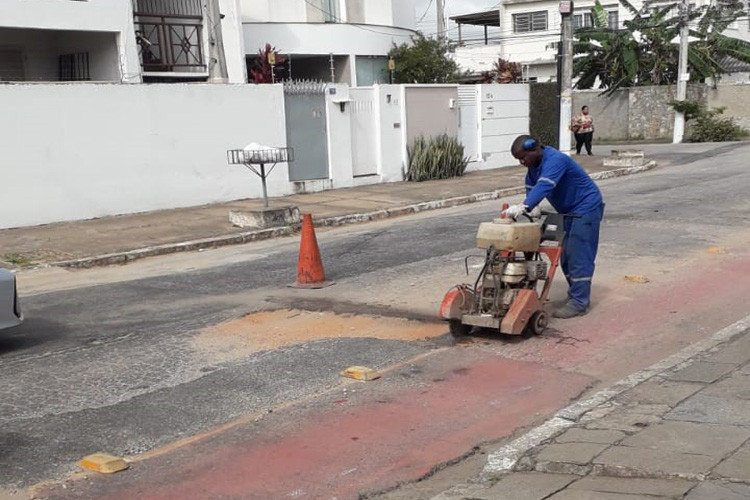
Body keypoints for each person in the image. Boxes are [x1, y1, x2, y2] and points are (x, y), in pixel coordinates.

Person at [503, 135, 604, 319]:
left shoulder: (555, 159)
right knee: (564, 256)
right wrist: (532, 207)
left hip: (586, 207)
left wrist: (525, 206)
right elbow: (531, 186)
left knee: (578, 254)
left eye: (523, 157)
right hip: (567, 210)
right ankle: (575, 295)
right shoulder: (534, 167)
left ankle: (579, 302)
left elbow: (544, 186)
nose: (521, 162)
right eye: (518, 159)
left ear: (534, 149)